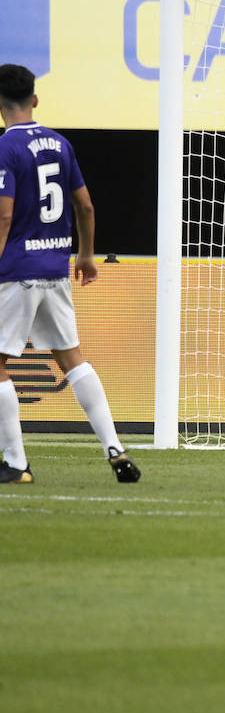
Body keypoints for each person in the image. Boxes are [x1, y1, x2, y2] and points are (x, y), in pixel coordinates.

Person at [0, 64, 140, 484]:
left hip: (17, 272)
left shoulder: (5, 148)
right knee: (71, 358)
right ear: (35, 99)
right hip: (55, 269)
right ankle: (114, 447)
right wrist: (86, 256)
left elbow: (4, 214)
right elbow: (86, 206)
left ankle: (16, 463)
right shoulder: (60, 144)